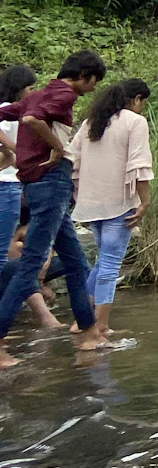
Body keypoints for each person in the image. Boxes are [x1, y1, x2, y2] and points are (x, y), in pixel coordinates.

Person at [0, 52, 108, 367]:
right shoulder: (62, 94)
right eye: (94, 81)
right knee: (31, 265)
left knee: (75, 261)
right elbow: (32, 120)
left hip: (38, 185)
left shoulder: (43, 92)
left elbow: (17, 112)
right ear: (85, 75)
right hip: (50, 182)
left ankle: (91, 335)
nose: (92, 88)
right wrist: (58, 147)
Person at [70, 78, 153, 339]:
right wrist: (145, 201)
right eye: (143, 103)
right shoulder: (134, 122)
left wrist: (76, 196)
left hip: (90, 203)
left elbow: (72, 161)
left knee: (103, 260)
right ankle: (101, 325)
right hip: (118, 203)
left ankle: (81, 321)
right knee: (109, 265)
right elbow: (138, 166)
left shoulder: (90, 123)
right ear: (137, 99)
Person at [0, 64, 33, 258]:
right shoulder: (9, 111)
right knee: (3, 248)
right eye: (30, 89)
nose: (32, 93)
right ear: (20, 88)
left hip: (10, 183)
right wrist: (16, 152)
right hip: (8, 184)